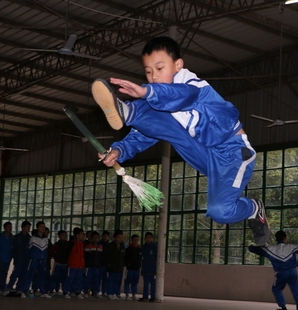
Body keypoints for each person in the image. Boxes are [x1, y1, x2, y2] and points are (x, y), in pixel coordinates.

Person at [91, 36, 270, 246]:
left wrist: (147, 91)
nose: (154, 76)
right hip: (203, 152)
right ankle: (128, 111)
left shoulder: (192, 86)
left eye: (159, 68)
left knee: (220, 211)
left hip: (232, 152)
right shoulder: (160, 99)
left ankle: (254, 208)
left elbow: (180, 96)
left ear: (178, 65)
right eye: (148, 72)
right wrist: (119, 151)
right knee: (158, 115)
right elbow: (150, 131)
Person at [248, 230, 298, 310]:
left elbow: (256, 250)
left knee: (276, 289)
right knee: (296, 290)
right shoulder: (291, 247)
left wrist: (251, 247)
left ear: (276, 239)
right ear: (285, 238)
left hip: (281, 273)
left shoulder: (270, 249)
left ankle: (283, 308)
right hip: (293, 272)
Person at [22, 222, 50, 299]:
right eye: (41, 227)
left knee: (42, 277)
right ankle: (24, 291)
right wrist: (32, 257)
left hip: (43, 261)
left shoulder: (46, 239)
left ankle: (43, 292)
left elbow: (46, 250)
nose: (43, 228)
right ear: (37, 228)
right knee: (29, 276)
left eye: (44, 227)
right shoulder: (33, 238)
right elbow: (28, 249)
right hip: (34, 260)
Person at [7, 221, 31, 296]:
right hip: (19, 259)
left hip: (26, 259)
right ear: (23, 228)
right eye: (27, 227)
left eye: (29, 227)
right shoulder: (17, 237)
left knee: (23, 275)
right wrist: (16, 257)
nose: (28, 229)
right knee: (15, 274)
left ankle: (19, 288)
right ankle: (9, 287)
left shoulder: (29, 238)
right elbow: (14, 249)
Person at [0, 221, 14, 295]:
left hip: (8, 257)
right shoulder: (0, 237)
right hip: (1, 257)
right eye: (8, 227)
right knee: (1, 272)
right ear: (4, 228)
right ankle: (2, 287)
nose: (10, 228)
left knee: (5, 272)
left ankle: (4, 286)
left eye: (11, 227)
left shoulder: (12, 237)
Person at [104, 229, 125, 300]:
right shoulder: (110, 246)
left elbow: (123, 256)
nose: (120, 239)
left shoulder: (122, 246)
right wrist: (108, 264)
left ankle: (117, 293)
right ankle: (110, 293)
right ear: (115, 237)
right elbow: (106, 256)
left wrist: (123, 264)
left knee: (118, 281)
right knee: (111, 280)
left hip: (119, 266)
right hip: (112, 267)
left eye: (121, 237)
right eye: (119, 237)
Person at [64, 227, 85, 299]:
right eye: (82, 234)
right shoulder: (71, 243)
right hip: (72, 265)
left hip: (80, 266)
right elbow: (66, 253)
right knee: (69, 278)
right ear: (77, 235)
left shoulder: (82, 244)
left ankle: (77, 292)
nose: (83, 236)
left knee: (78, 279)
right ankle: (66, 291)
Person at [50, 230, 71, 296]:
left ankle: (65, 291)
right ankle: (52, 290)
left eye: (65, 235)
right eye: (63, 235)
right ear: (59, 236)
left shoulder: (68, 244)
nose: (64, 236)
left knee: (65, 278)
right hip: (58, 263)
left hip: (65, 263)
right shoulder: (57, 244)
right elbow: (52, 252)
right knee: (55, 277)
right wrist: (56, 256)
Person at [83, 230, 102, 298]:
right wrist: (86, 264)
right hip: (89, 266)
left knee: (96, 279)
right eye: (94, 237)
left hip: (97, 266)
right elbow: (85, 256)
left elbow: (101, 256)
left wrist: (99, 263)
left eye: (97, 237)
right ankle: (86, 291)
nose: (95, 239)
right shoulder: (88, 246)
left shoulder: (100, 246)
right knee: (87, 279)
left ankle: (95, 291)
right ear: (91, 238)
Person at [139, 232, 157, 302]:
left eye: (150, 238)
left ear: (152, 238)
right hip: (145, 268)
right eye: (147, 238)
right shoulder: (143, 247)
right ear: (145, 239)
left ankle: (153, 297)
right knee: (146, 283)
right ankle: (145, 297)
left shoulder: (154, 247)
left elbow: (157, 257)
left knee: (153, 284)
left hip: (153, 268)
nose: (148, 239)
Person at [124, 234, 142, 300]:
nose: (135, 241)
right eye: (134, 240)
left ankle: (134, 294)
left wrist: (139, 265)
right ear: (132, 240)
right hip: (130, 269)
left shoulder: (140, 249)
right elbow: (125, 258)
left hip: (137, 269)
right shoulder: (128, 249)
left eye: (137, 240)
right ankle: (127, 294)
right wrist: (127, 265)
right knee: (127, 281)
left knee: (135, 282)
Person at [98, 230, 110, 297]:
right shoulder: (99, 244)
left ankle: (104, 291)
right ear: (102, 236)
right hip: (100, 264)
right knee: (98, 279)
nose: (105, 237)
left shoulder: (109, 245)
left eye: (107, 236)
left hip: (106, 265)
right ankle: (96, 291)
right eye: (104, 236)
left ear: (108, 237)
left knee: (105, 279)